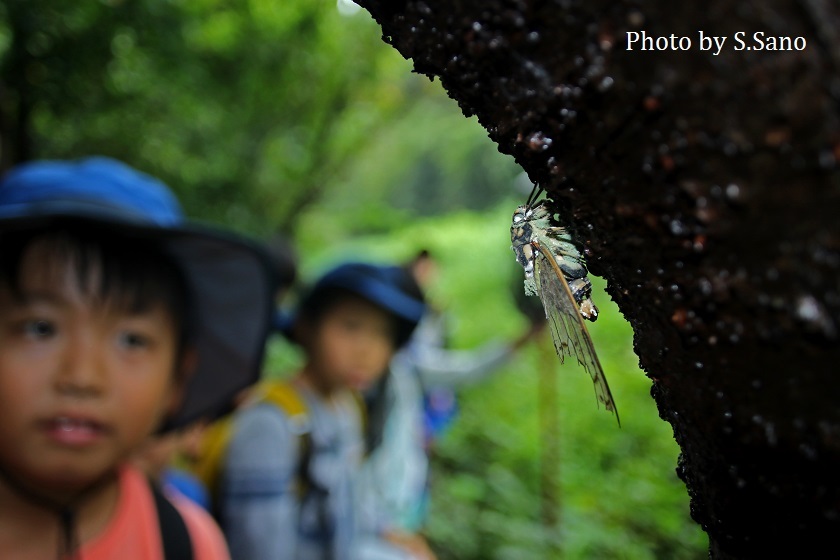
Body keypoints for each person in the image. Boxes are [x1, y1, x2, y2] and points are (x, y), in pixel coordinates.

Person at [0, 157, 280, 559]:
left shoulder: (187, 543)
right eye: (40, 329)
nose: (81, 376)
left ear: (178, 378)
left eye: (131, 340)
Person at [218, 261, 425, 560]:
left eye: (382, 334)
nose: (367, 349)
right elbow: (259, 548)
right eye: (351, 326)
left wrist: (386, 532)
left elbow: (348, 509)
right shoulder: (272, 423)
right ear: (306, 326)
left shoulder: (348, 407)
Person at [355, 249, 542, 545]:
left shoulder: (407, 366)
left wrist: (522, 339)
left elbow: (464, 368)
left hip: (403, 500)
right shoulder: (346, 392)